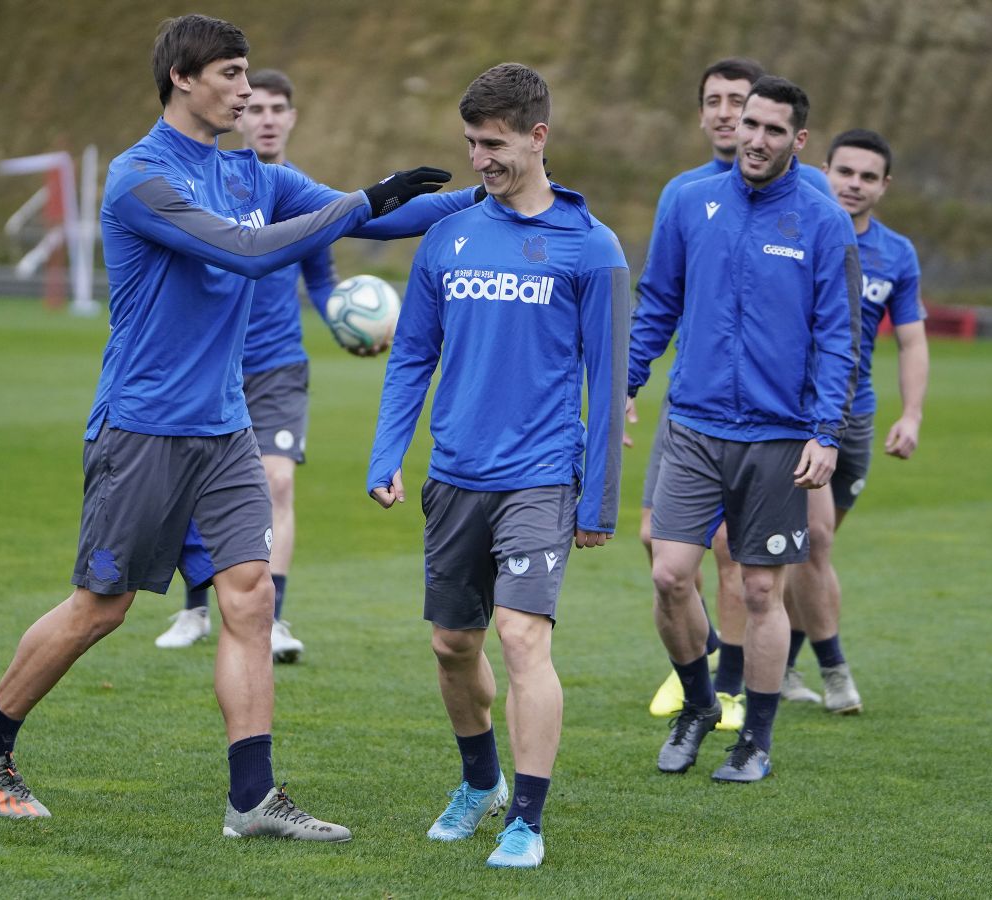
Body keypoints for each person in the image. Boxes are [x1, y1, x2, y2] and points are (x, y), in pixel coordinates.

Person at [0, 13, 475, 837]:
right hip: (144, 426)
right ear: (184, 80)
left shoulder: (251, 172)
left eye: (247, 73)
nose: (246, 89)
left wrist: (492, 193)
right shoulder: (140, 178)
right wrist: (363, 198)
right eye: (231, 73)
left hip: (225, 425)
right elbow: (249, 253)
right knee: (102, 607)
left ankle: (251, 800)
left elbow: (371, 219)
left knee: (250, 599)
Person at [368, 63, 629, 868]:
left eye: (495, 143)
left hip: (541, 477)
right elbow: (413, 354)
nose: (480, 158)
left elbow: (608, 381)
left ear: (538, 135)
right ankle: (479, 781)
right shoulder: (448, 234)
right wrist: (387, 453)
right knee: (454, 646)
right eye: (472, 142)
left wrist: (600, 504)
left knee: (522, 638)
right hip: (456, 476)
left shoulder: (592, 246)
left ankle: (527, 819)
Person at [628, 75, 860, 783]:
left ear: (799, 140)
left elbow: (838, 335)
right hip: (694, 422)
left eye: (770, 129)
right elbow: (658, 301)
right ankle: (700, 702)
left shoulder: (822, 222)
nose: (754, 138)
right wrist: (626, 384)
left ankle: (754, 740)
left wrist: (825, 432)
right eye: (748, 123)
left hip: (778, 434)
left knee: (761, 590)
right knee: (670, 574)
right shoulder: (686, 200)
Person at [154, 68, 339, 662]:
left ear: (290, 117)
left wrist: (349, 325)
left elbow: (324, 282)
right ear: (240, 114)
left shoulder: (299, 192)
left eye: (276, 108)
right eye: (254, 107)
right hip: (216, 361)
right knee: (198, 486)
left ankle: (274, 618)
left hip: (279, 361)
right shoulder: (220, 185)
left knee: (276, 482)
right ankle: (194, 607)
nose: (265, 118)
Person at [782, 129, 928, 712]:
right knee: (812, 541)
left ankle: (782, 665)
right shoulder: (798, 230)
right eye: (845, 172)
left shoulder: (897, 254)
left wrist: (912, 414)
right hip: (797, 416)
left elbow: (913, 341)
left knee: (811, 548)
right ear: (824, 169)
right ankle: (835, 670)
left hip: (857, 418)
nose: (854, 184)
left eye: (868, 176)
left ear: (884, 186)